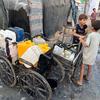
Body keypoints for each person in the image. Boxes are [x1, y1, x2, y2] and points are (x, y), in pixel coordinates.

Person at [77, 20, 100, 86]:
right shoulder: (98, 35)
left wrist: (81, 40)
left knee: (83, 66)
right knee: (90, 65)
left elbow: (86, 44)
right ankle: (87, 77)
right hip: (93, 54)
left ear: (92, 27)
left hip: (88, 54)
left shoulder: (90, 35)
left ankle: (80, 81)